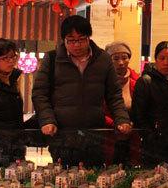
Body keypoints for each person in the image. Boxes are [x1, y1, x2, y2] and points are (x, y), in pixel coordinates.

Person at [32, 15, 131, 165]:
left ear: (89, 38)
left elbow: (114, 95)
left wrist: (122, 119)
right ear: (64, 40)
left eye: (81, 39)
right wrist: (47, 120)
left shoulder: (103, 59)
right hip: (62, 134)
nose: (77, 45)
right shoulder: (52, 59)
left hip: (95, 133)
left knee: (94, 175)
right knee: (64, 175)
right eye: (71, 40)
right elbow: (40, 94)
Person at [131, 41, 168, 164]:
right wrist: (151, 136)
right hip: (155, 143)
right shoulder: (145, 81)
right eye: (162, 58)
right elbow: (138, 115)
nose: (166, 63)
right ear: (156, 59)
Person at [104, 41, 140, 164]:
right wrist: (118, 125)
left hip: (132, 137)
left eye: (124, 58)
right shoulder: (102, 82)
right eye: (115, 58)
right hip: (108, 135)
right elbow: (98, 110)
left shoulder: (137, 82)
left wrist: (132, 124)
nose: (121, 62)